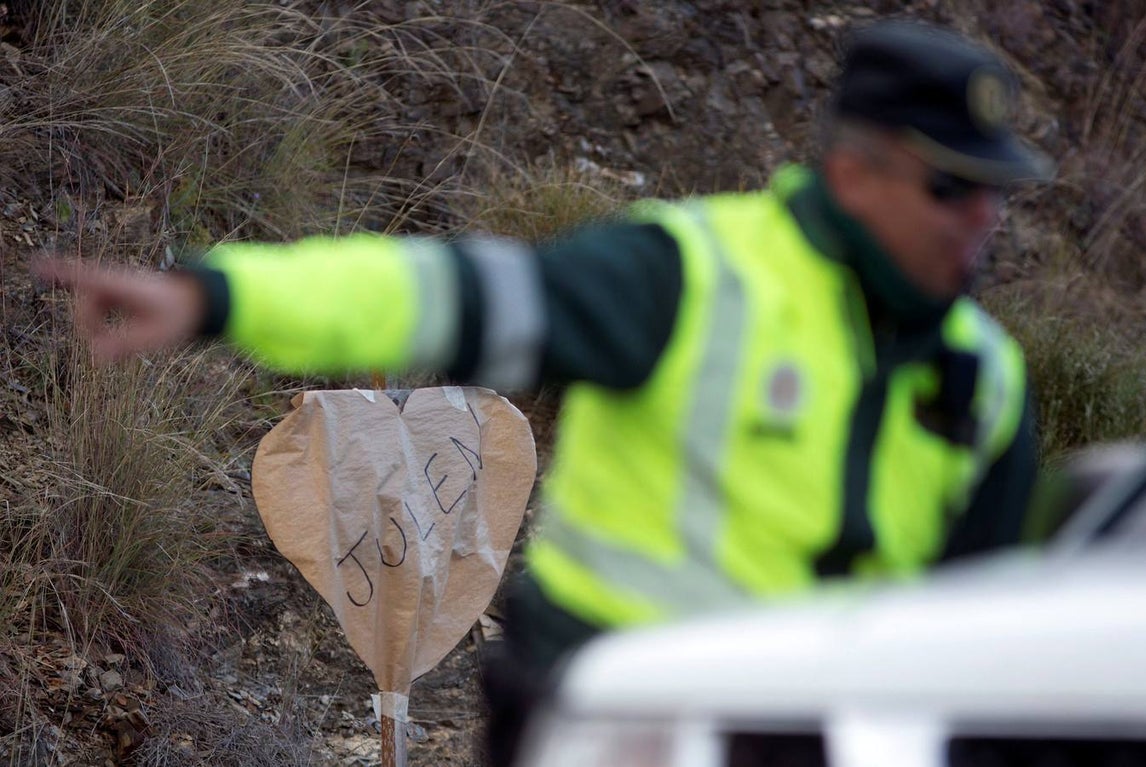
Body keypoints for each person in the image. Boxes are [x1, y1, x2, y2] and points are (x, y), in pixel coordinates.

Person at [39, 18, 1051, 766]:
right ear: (851, 169)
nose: (980, 219)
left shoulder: (987, 382)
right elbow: (444, 294)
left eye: (994, 193)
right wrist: (222, 292)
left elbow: (980, 644)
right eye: (949, 186)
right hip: (612, 717)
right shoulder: (690, 275)